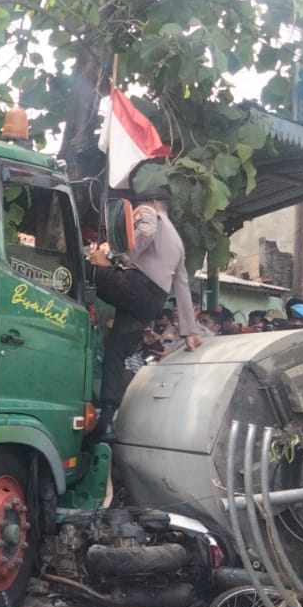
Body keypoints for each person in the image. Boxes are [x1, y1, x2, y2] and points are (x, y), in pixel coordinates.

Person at [86, 187, 205, 438]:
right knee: (115, 353)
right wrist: (190, 331)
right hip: (152, 303)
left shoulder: (150, 212)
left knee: (87, 268)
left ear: (152, 201)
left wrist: (116, 257)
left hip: (136, 285)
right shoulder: (178, 242)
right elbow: (182, 285)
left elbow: (146, 231)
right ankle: (107, 420)